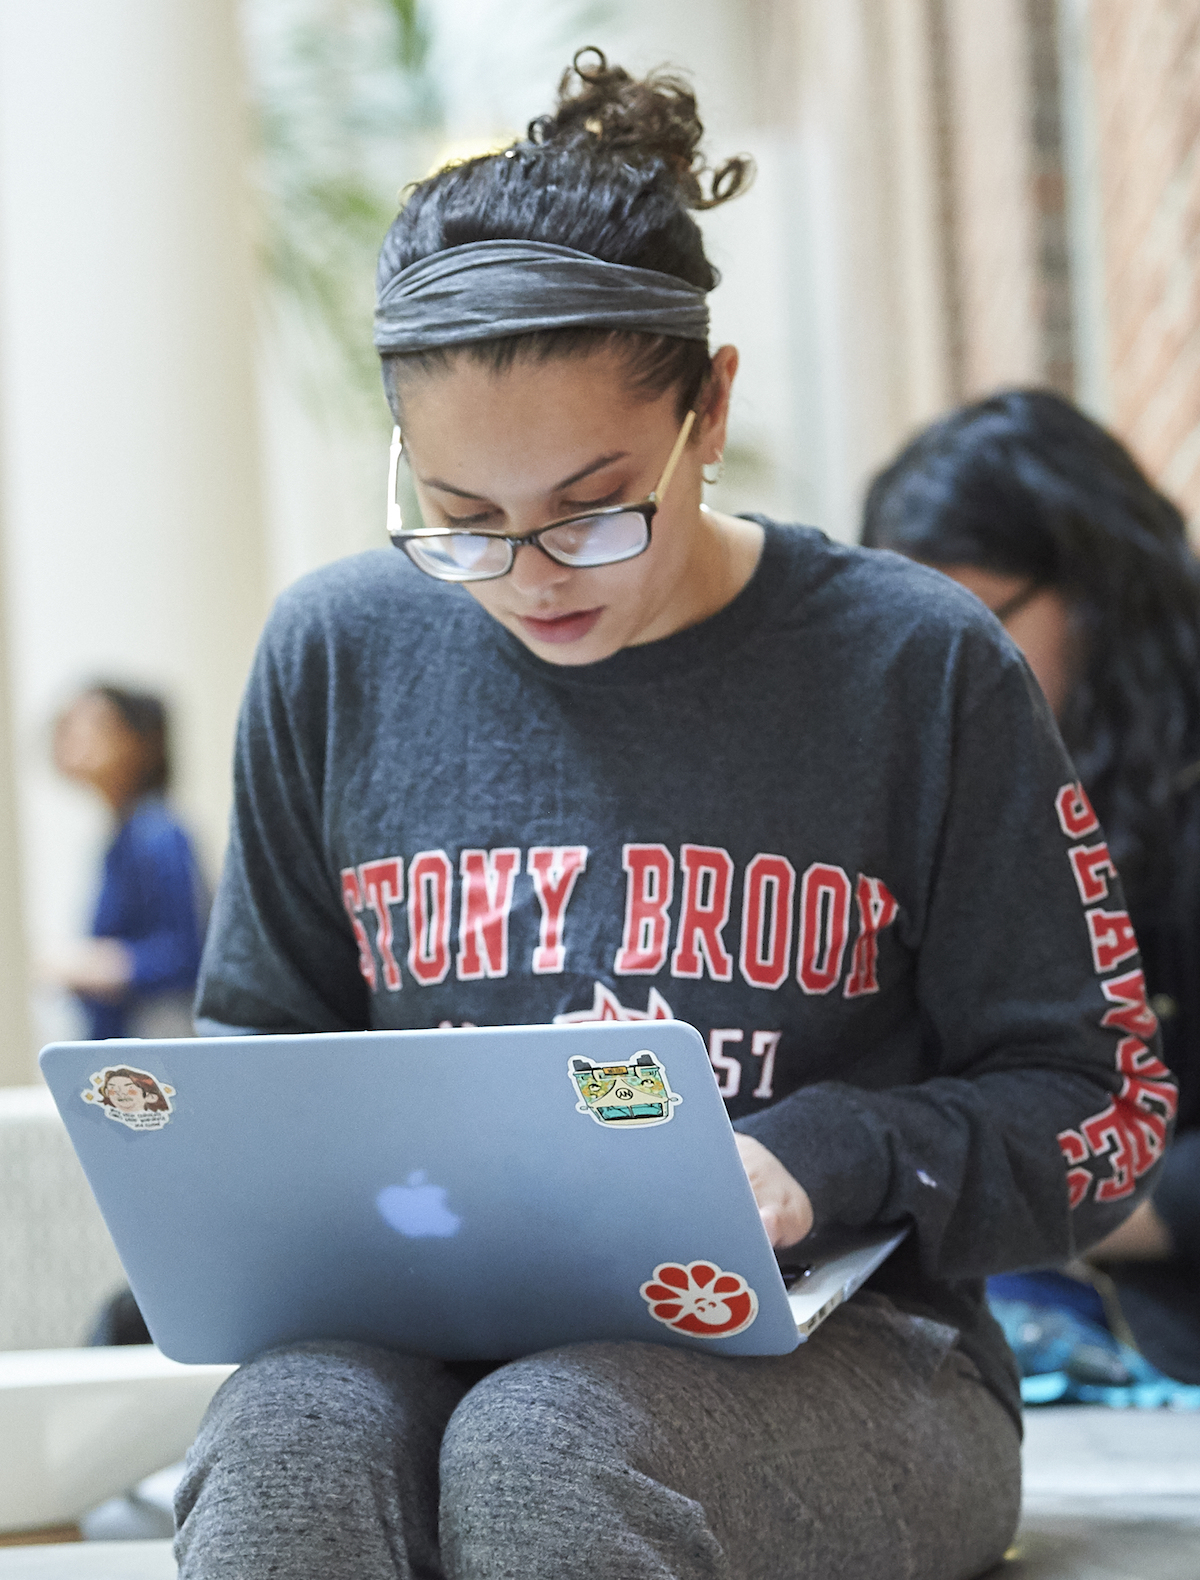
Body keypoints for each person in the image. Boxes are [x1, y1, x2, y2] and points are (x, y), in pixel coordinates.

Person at [177, 53, 1173, 1580]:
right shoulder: (336, 655)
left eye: (593, 505)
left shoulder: (916, 665)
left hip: (861, 1358)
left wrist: (816, 1159)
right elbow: (259, 1055)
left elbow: (1101, 1112)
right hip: (429, 1340)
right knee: (283, 1450)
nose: (532, 575)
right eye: (462, 522)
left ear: (709, 403)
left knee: (546, 1452)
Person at [862, 387, 1200, 1390]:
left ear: (1099, 594)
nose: (945, 673)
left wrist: (1028, 1198)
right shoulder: (961, 798)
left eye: (975, 621)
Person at [44, 683, 206, 1040]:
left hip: (152, 1051)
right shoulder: (121, 836)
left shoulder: (158, 833)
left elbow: (185, 953)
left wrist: (100, 965)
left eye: (98, 725)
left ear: (139, 743)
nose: (75, 736)